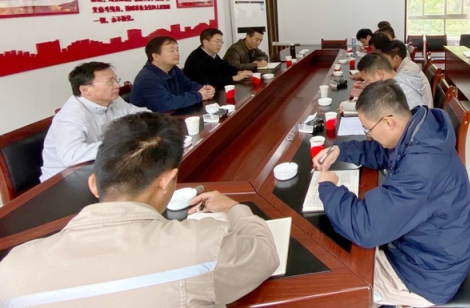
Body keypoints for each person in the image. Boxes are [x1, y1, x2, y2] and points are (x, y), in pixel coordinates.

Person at [0, 112, 279, 306]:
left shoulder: (13, 268)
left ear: (94, 184)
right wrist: (233, 208)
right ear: (167, 181)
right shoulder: (200, 244)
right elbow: (264, 254)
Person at [312, 81, 470, 307]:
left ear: (389, 121)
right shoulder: (419, 128)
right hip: (428, 247)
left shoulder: (421, 167)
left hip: (427, 274)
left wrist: (328, 187)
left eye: (368, 129)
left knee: (334, 280)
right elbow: (384, 153)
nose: (369, 136)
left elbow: (367, 228)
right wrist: (341, 150)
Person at [40, 62, 149, 182]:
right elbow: (71, 155)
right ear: (85, 90)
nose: (117, 85)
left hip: (101, 166)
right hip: (64, 179)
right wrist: (121, 143)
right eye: (110, 82)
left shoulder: (113, 100)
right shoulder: (71, 116)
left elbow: (140, 113)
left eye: (116, 79)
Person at [130, 36, 215, 112]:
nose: (177, 53)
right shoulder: (147, 79)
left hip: (174, 115)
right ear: (156, 56)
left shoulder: (173, 69)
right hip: (151, 122)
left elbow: (188, 85)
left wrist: (204, 89)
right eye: (172, 51)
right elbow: (168, 103)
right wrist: (199, 95)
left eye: (177, 50)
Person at [183, 28, 252, 89]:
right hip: (199, 93)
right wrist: (234, 78)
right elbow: (207, 80)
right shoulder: (195, 59)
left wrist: (238, 72)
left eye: (221, 42)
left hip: (214, 90)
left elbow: (225, 66)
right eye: (217, 41)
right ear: (205, 42)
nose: (220, 44)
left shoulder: (212, 54)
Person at [356, 53, 430, 109]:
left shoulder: (398, 90)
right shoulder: (401, 78)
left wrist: (364, 95)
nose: (367, 84)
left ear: (380, 75)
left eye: (367, 81)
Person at [381, 39, 433, 107]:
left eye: (386, 59)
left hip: (423, 110)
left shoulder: (409, 71)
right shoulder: (407, 65)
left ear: (396, 58)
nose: (384, 62)